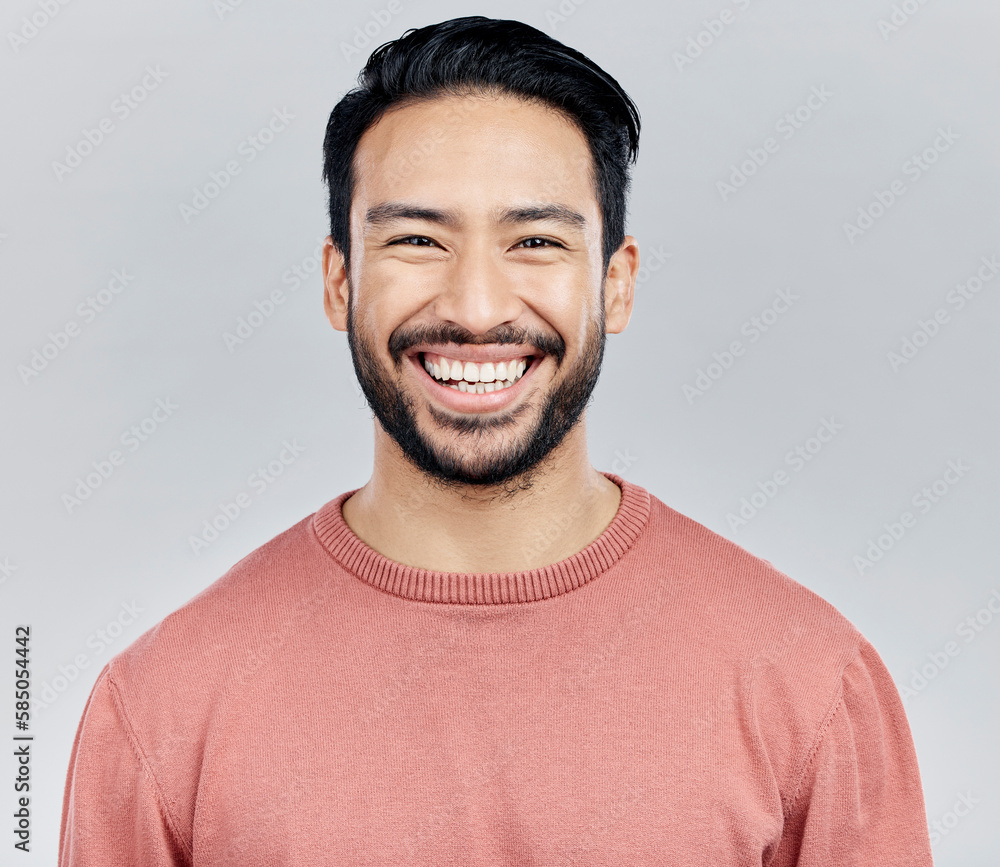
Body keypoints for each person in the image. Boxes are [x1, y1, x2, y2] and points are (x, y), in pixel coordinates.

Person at [59, 16, 935, 865]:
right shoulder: (160, 708)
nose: (477, 307)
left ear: (616, 284)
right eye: (415, 239)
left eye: (536, 240)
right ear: (338, 281)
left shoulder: (815, 686)